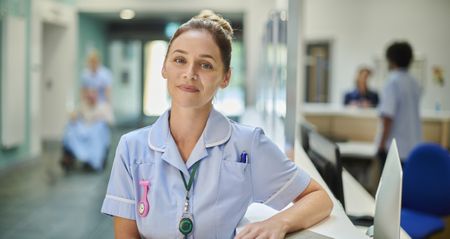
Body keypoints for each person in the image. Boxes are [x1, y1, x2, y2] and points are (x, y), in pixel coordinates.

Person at [101, 10, 332, 239]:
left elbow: (319, 199)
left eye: (206, 65)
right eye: (180, 60)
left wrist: (279, 222)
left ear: (225, 77)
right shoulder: (131, 148)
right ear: (164, 67)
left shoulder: (247, 145)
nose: (189, 73)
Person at [376, 41, 422, 168]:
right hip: (413, 149)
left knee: (391, 187)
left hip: (394, 150)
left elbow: (387, 117)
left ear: (391, 60)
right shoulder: (414, 82)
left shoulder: (392, 81)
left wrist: (381, 145)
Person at [60, 89, 114, 171]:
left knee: (98, 130)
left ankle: (93, 160)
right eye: (89, 95)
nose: (91, 97)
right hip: (84, 130)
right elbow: (75, 116)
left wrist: (99, 117)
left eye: (93, 94)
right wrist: (74, 118)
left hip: (97, 132)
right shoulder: (83, 105)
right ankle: (69, 156)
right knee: (70, 128)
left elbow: (110, 121)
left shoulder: (104, 106)